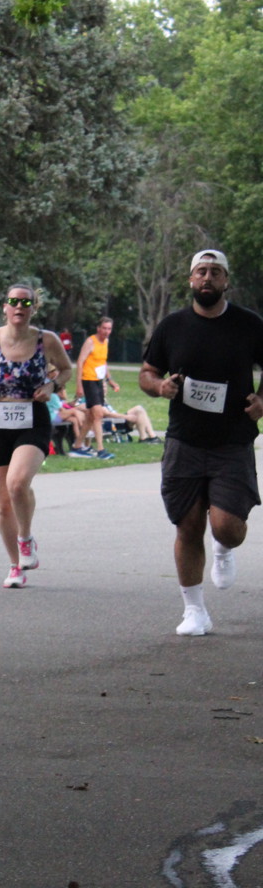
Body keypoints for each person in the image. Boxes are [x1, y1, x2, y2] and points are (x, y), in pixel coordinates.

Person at [139, 247, 263, 636]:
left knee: (227, 527)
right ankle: (194, 611)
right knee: (188, 526)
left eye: (215, 272)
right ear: (191, 279)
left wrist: (262, 400)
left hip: (232, 441)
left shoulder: (249, 324)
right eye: (201, 272)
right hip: (185, 441)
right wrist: (159, 387)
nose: (207, 278)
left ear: (226, 281)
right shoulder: (172, 326)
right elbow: (147, 372)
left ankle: (224, 547)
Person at [0, 285, 72, 587]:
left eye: (26, 302)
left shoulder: (46, 340)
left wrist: (52, 386)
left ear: (34, 307)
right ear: (4, 306)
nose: (19, 306)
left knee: (18, 483)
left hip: (32, 418)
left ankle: (25, 538)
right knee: (3, 503)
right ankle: (14, 566)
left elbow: (66, 370)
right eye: (13, 301)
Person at [75, 317, 119, 459]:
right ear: (98, 328)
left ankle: (77, 446)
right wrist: (79, 385)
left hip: (99, 381)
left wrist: (110, 380)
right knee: (98, 414)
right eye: (104, 328)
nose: (106, 331)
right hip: (88, 380)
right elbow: (80, 362)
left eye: (109, 329)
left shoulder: (106, 342)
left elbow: (103, 362)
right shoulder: (90, 342)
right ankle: (101, 450)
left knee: (90, 416)